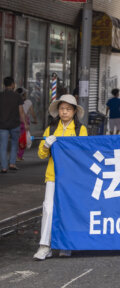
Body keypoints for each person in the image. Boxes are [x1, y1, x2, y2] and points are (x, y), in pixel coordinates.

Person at [33, 94, 87, 260]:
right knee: (48, 208)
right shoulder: (50, 129)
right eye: (62, 109)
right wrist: (47, 145)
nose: (64, 112)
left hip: (72, 178)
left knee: (68, 210)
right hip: (53, 175)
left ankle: (66, 244)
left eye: (68, 109)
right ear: (58, 111)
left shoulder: (80, 130)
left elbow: (83, 154)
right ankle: (44, 246)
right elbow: (41, 154)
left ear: (74, 112)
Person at [0, 77, 28, 173]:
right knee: (14, 144)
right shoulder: (17, 96)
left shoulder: (1, 95)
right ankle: (12, 164)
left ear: (4, 85)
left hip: (2, 124)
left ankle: (4, 167)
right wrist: (25, 123)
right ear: (12, 84)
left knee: (3, 146)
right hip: (14, 124)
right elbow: (21, 111)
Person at [16, 88, 37, 161]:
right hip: (24, 121)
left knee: (16, 138)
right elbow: (32, 112)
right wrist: (35, 119)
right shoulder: (28, 102)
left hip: (15, 121)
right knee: (23, 139)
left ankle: (15, 156)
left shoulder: (15, 100)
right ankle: (19, 156)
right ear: (24, 94)